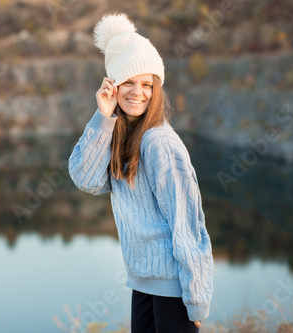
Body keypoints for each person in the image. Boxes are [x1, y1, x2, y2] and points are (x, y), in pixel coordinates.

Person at [68, 13, 214, 333]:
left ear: (156, 88)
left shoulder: (159, 143)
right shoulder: (122, 135)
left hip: (173, 290)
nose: (138, 92)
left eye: (147, 84)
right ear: (114, 85)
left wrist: (196, 297)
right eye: (129, 82)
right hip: (144, 283)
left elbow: (186, 224)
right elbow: (85, 178)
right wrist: (103, 117)